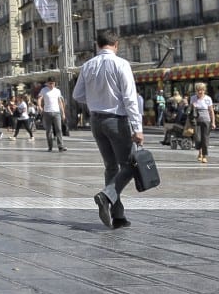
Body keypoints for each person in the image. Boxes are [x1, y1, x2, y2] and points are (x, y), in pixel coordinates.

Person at [72, 31, 143, 229]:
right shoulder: (121, 64)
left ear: (98, 45)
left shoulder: (87, 65)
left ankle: (118, 216)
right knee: (130, 165)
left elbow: (77, 95)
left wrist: (96, 100)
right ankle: (106, 195)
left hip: (96, 120)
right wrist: (137, 128)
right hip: (117, 120)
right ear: (116, 45)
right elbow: (130, 98)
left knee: (111, 167)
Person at [38, 77, 66, 152]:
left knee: (59, 129)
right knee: (49, 130)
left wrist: (63, 113)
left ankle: (61, 146)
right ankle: (50, 146)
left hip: (57, 112)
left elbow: (60, 102)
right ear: (47, 83)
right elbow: (40, 98)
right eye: (50, 83)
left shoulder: (57, 91)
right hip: (47, 112)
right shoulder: (44, 90)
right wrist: (40, 106)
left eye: (53, 83)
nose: (52, 85)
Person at [190, 82, 215, 163]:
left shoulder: (208, 98)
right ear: (196, 91)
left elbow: (211, 111)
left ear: (204, 90)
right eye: (198, 90)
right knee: (198, 138)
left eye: (201, 90)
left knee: (205, 139)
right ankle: (199, 153)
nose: (200, 92)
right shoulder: (193, 98)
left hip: (206, 120)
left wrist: (213, 122)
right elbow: (190, 111)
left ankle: (204, 156)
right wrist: (192, 106)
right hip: (196, 120)